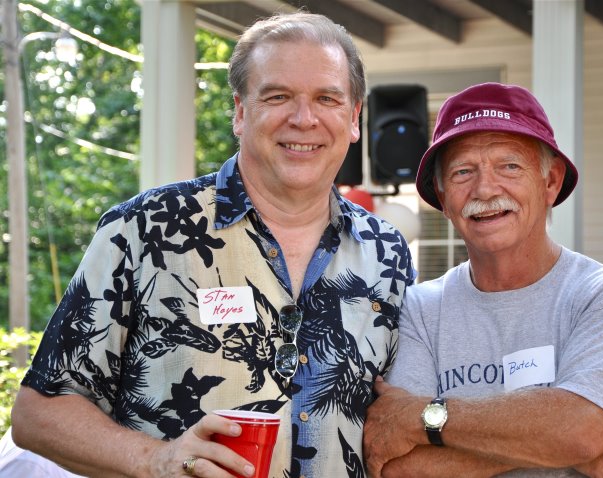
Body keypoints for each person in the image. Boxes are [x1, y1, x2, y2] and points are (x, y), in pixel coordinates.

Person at [11, 12, 415, 478]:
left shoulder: (386, 252)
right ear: (240, 112)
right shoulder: (145, 228)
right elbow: (38, 413)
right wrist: (157, 459)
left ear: (354, 118)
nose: (304, 119)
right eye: (278, 96)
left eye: (327, 98)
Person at [363, 82, 603, 477]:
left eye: (509, 166)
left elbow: (579, 431)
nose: (485, 188)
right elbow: (401, 466)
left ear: (551, 182)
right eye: (462, 172)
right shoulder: (420, 310)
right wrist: (568, 445)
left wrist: (423, 418)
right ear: (441, 196)